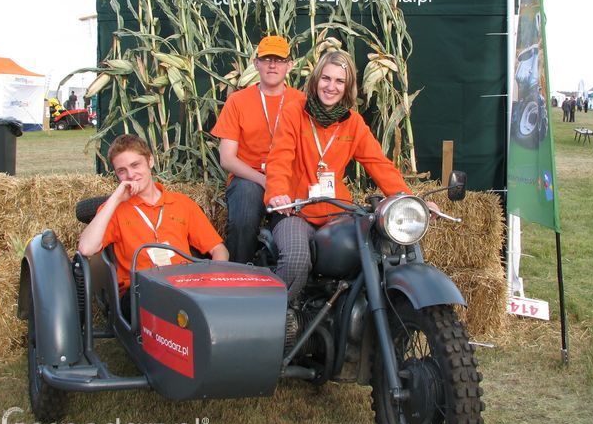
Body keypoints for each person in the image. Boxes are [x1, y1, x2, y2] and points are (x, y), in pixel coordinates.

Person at [264, 49, 440, 300]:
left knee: (375, 248)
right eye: (326, 78)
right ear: (315, 80)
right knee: (296, 259)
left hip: (336, 212)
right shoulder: (295, 112)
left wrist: (409, 202)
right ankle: (282, 322)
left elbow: (379, 164)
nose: (331, 87)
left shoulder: (353, 123)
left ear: (348, 87)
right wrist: (279, 194)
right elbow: (279, 158)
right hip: (296, 210)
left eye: (339, 81)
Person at [78, 134, 228, 316]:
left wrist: (214, 282)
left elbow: (219, 250)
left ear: (150, 161)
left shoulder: (181, 204)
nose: (131, 175)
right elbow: (86, 248)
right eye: (122, 171)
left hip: (184, 286)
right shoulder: (114, 209)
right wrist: (115, 198)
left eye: (135, 165)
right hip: (139, 291)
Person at [210, 35, 305, 263]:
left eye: (279, 60)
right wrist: (265, 181)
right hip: (249, 178)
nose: (273, 65)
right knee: (244, 215)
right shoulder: (238, 101)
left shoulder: (302, 101)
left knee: (295, 225)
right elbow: (227, 158)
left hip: (286, 178)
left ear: (290, 65)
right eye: (266, 59)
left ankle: (291, 286)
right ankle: (237, 278)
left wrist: (279, 183)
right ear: (256, 64)